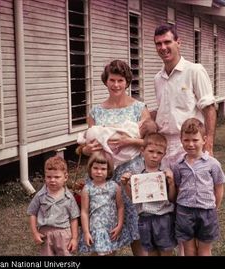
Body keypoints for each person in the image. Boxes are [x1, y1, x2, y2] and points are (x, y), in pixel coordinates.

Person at [143, 23, 218, 256]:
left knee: (190, 207)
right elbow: (164, 111)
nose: (163, 47)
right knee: (167, 207)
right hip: (165, 148)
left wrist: (209, 145)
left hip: (189, 148)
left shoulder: (194, 70)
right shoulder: (157, 78)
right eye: (158, 44)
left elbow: (209, 107)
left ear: (178, 42)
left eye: (167, 42)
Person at [81, 59, 156, 256]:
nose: (116, 85)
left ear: (127, 82)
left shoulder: (139, 108)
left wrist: (130, 142)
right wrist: (86, 150)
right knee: (103, 227)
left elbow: (152, 144)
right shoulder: (95, 112)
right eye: (112, 80)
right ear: (106, 81)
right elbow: (85, 146)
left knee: (137, 228)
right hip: (103, 177)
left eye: (120, 80)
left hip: (131, 175)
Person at [172, 118, 225, 256]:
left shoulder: (213, 164)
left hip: (207, 212)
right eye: (186, 140)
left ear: (204, 139)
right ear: (181, 140)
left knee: (204, 250)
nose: (190, 144)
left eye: (195, 140)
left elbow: (219, 187)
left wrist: (215, 208)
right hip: (184, 212)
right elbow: (178, 187)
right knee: (189, 250)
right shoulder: (178, 165)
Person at [120, 133, 177, 256]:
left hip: (163, 218)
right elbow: (134, 198)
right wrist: (125, 185)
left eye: (159, 153)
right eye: (151, 151)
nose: (154, 156)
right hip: (144, 218)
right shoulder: (136, 173)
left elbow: (172, 198)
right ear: (142, 150)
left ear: (164, 154)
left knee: (166, 251)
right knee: (150, 252)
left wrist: (171, 184)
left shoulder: (165, 171)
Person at [27, 156, 80, 256]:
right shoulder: (40, 195)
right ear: (45, 177)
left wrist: (74, 238)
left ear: (65, 177)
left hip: (63, 233)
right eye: (49, 177)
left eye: (56, 177)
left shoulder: (69, 197)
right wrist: (35, 233)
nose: (52, 180)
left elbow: (74, 218)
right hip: (45, 234)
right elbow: (32, 213)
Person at [78, 151, 124, 256]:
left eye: (103, 169)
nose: (99, 172)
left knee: (110, 253)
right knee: (95, 253)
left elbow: (120, 207)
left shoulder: (114, 187)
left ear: (109, 170)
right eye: (96, 168)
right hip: (95, 228)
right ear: (90, 169)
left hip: (110, 229)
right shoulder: (87, 189)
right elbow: (84, 212)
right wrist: (86, 232)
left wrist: (120, 225)